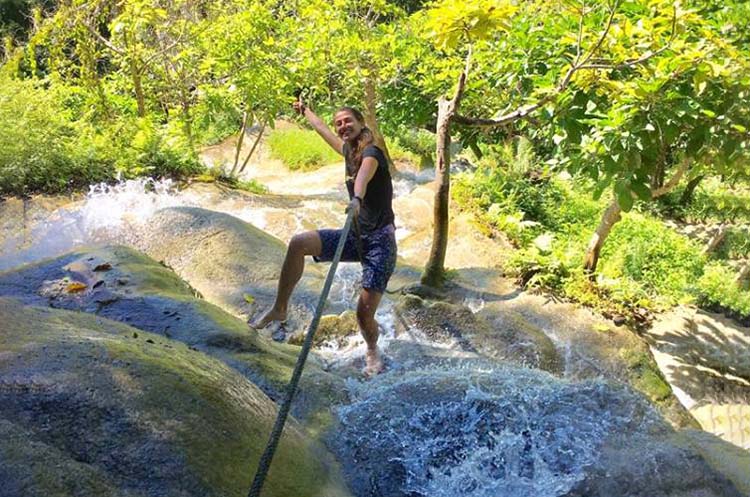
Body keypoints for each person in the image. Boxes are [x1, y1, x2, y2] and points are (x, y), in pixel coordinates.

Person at [252, 101, 397, 377]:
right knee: (299, 243)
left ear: (360, 122)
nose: (342, 127)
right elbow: (322, 130)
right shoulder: (347, 150)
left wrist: (356, 198)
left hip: (380, 244)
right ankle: (279, 308)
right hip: (355, 237)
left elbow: (364, 176)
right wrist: (305, 111)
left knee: (363, 315)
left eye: (347, 121)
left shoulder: (371, 151)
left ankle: (372, 349)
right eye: (338, 123)